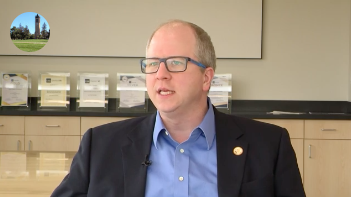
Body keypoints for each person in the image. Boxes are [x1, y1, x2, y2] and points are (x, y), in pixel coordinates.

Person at [51, 20, 306, 197]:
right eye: (152, 63)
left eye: (176, 62)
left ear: (206, 78)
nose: (161, 74)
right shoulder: (101, 144)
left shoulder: (270, 144)